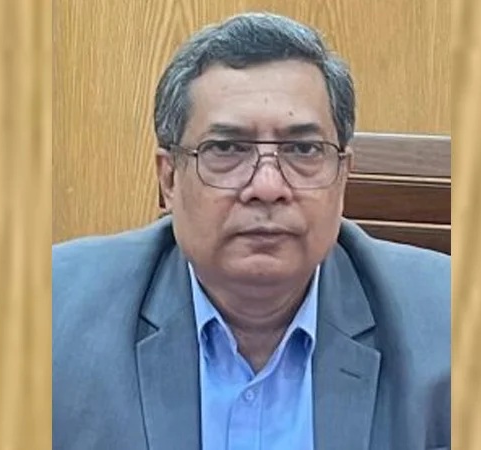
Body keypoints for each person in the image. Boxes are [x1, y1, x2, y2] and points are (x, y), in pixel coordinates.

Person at [53, 12, 450, 450]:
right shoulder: (54, 316)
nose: (267, 186)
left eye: (303, 149)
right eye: (226, 148)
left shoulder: (450, 325)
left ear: (342, 178)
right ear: (169, 180)